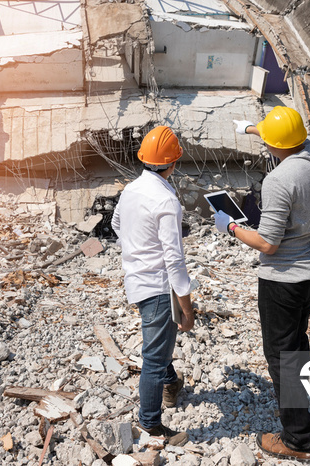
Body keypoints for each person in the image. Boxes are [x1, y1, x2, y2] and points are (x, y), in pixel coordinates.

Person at [216, 107, 310, 461]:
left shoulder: (279, 180)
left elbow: (268, 243)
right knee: (295, 342)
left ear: (274, 145)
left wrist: (231, 227)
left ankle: (298, 439)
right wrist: (252, 128)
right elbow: (289, 136)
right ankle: (300, 399)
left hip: (284, 279)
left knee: (280, 356)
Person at [112, 125, 195, 447]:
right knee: (154, 357)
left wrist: (136, 250)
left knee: (158, 339)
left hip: (136, 279)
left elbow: (118, 224)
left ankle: (172, 384)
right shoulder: (166, 200)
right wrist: (186, 308)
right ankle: (150, 423)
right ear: (173, 163)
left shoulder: (131, 189)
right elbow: (174, 260)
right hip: (158, 287)